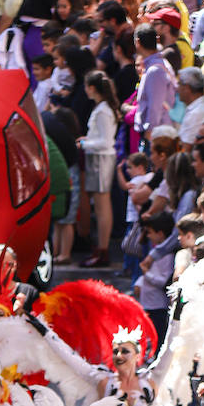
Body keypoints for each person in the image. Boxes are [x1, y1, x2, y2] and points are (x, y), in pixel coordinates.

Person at [78, 72, 119, 269]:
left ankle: (103, 249)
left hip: (101, 158)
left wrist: (85, 144)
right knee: (101, 204)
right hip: (98, 158)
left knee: (103, 205)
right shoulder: (102, 108)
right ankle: (100, 248)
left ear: (92, 87)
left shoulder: (103, 110)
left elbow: (105, 141)